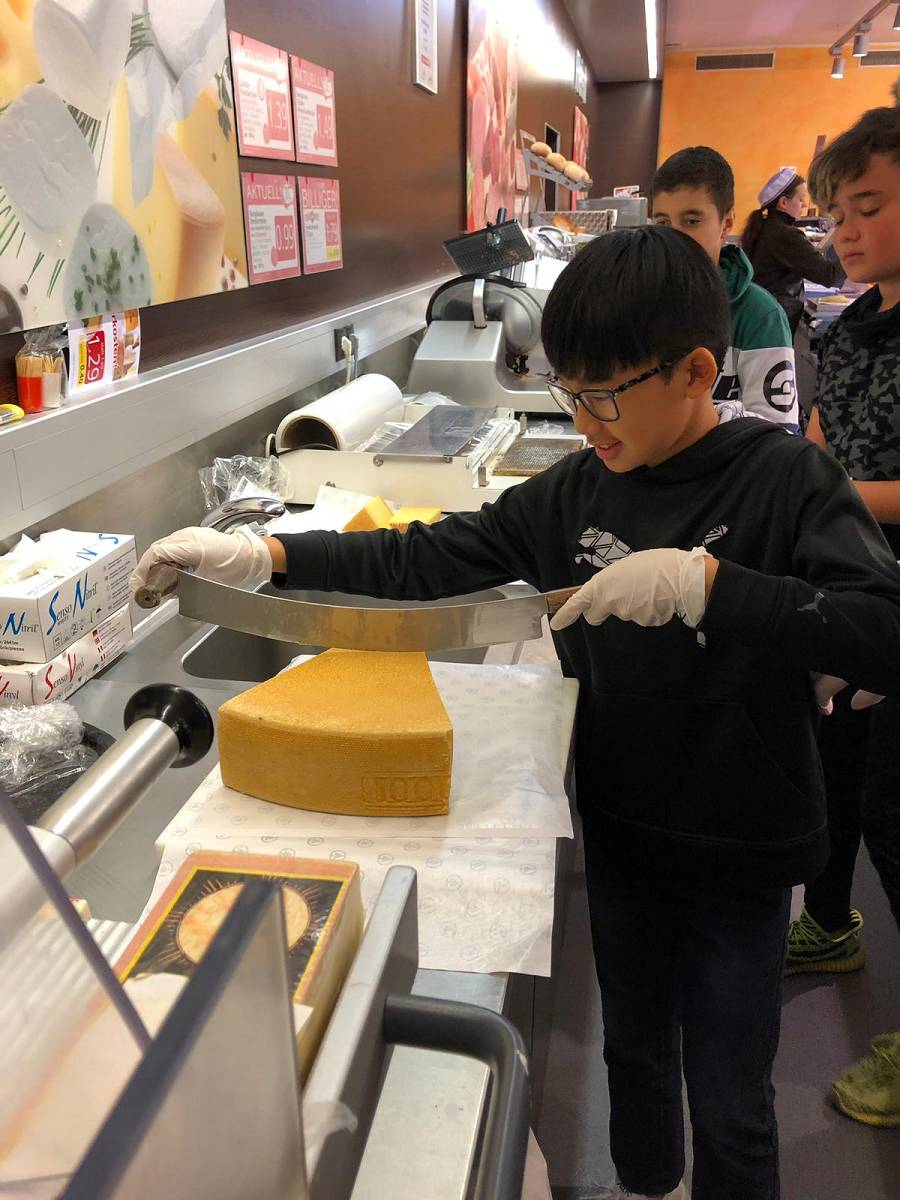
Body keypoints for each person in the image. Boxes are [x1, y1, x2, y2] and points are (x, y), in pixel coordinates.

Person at [132, 226, 900, 1199]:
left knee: (731, 1094)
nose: (584, 421)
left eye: (604, 395)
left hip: (743, 849)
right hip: (624, 834)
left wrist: (711, 586)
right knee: (634, 1051)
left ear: (697, 372)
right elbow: (424, 557)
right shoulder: (577, 490)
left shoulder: (785, 480)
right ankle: (647, 1184)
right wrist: (266, 556)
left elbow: (881, 628)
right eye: (568, 393)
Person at [786, 103, 900, 1129]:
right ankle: (828, 922)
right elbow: (823, 433)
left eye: (869, 206)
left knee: (896, 810)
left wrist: (838, 500)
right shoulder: (853, 325)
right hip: (857, 589)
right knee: (838, 764)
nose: (845, 231)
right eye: (835, 213)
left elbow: (845, 478)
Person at [652, 146, 800, 431]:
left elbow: (777, 433)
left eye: (692, 221)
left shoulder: (760, 315)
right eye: (663, 222)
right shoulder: (641, 301)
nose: (674, 236)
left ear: (726, 224)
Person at [743, 168, 845, 335]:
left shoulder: (766, 227)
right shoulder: (785, 235)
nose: (804, 205)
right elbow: (830, 276)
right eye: (801, 199)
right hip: (775, 320)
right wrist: (853, 251)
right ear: (783, 202)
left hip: (764, 316)